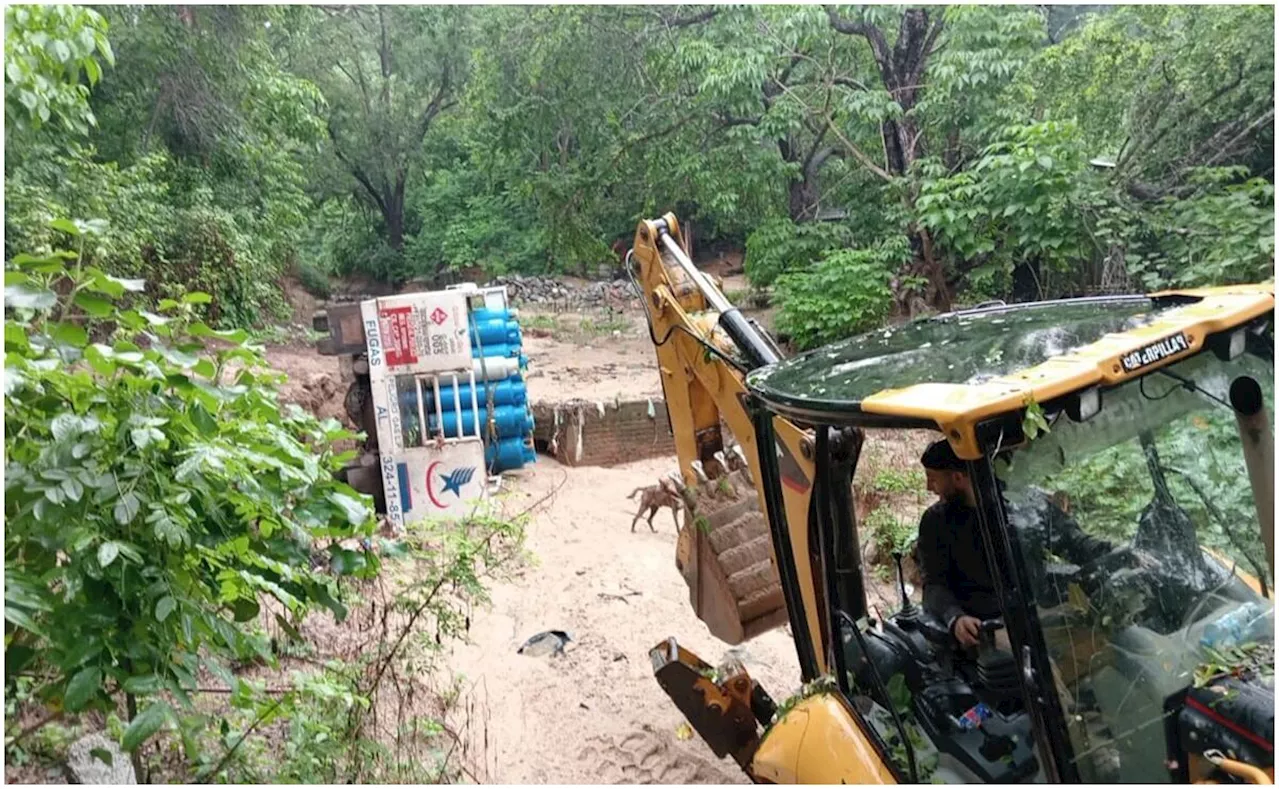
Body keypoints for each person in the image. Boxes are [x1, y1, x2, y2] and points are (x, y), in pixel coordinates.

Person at [914, 438, 1115, 648]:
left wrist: (1116, 551)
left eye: (932, 478)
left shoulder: (1026, 502)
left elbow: (1075, 542)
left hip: (1043, 612)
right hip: (991, 626)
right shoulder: (936, 523)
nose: (929, 487)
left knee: (1121, 643)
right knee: (1047, 670)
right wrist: (955, 618)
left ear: (957, 478)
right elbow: (934, 585)